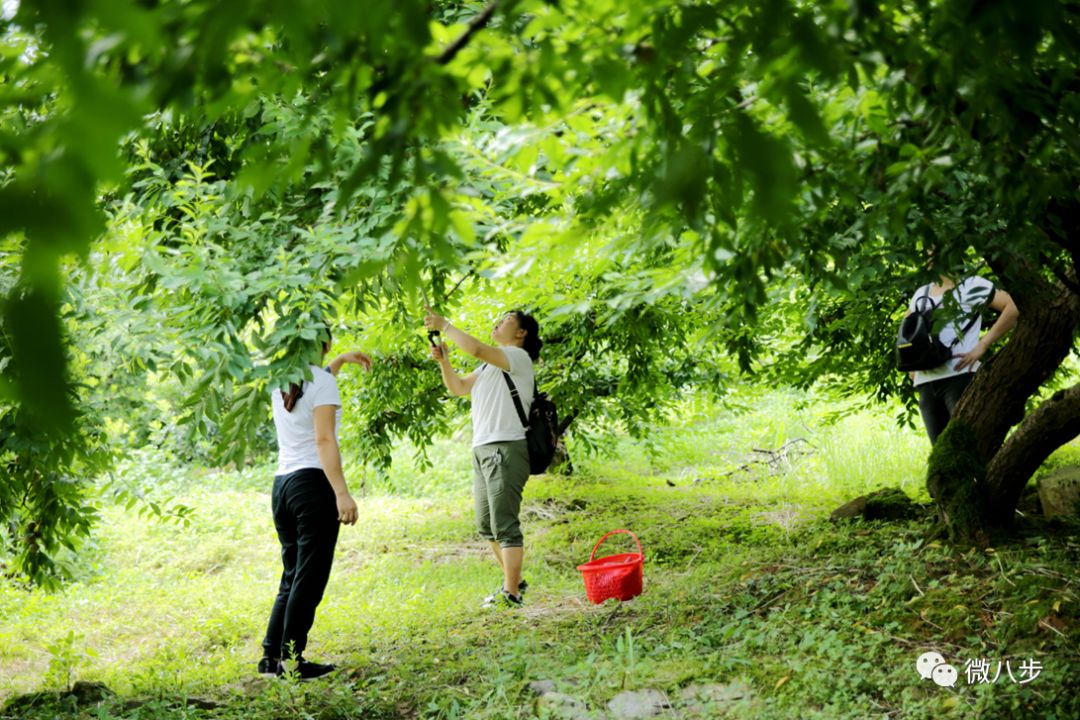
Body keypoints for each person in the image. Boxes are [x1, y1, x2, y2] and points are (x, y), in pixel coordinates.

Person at [259, 329, 372, 678]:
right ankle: (293, 662)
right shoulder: (322, 383)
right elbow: (323, 439)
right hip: (313, 485)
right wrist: (341, 492)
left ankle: (270, 658)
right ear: (325, 344)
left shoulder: (281, 380)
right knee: (308, 580)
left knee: (292, 575)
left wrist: (337, 363)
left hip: (283, 487)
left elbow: (311, 396)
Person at [424, 307, 542, 609]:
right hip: (482, 449)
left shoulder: (517, 358)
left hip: (506, 448)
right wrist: (445, 362)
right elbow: (459, 387)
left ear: (521, 333)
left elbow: (476, 348)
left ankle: (512, 594)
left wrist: (445, 325)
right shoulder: (491, 366)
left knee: (504, 524)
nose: (497, 322)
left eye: (505, 320)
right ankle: (513, 584)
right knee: (486, 524)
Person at [907, 274, 1018, 443]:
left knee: (968, 446)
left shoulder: (972, 284)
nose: (930, 252)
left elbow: (1013, 306)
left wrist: (983, 345)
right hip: (926, 383)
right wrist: (912, 366)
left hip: (960, 376)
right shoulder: (921, 293)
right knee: (941, 454)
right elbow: (907, 332)